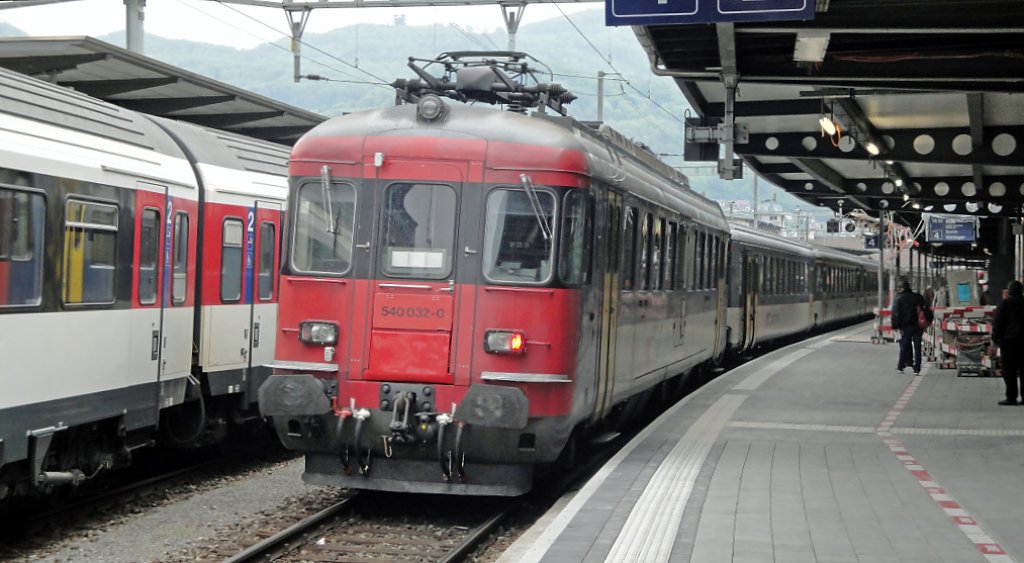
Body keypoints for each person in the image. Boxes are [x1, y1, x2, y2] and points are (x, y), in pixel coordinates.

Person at [991, 280, 1024, 405]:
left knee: (1009, 371)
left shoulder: (1004, 304)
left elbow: (997, 323)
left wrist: (996, 340)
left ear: (1009, 291)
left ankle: (1011, 397)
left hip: (1008, 342)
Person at [891, 279, 931, 375]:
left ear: (901, 288)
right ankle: (917, 369)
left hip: (905, 327)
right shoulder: (917, 297)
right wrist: (928, 322)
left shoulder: (899, 298)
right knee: (917, 347)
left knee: (904, 346)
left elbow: (896, 314)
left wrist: (896, 327)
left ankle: (900, 367)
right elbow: (926, 309)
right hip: (918, 326)